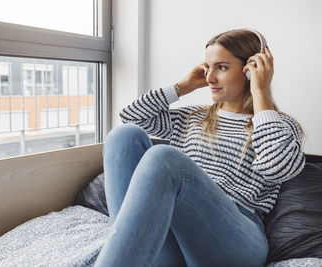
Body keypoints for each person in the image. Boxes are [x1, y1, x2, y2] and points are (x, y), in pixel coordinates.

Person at [94, 29, 305, 267]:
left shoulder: (278, 125)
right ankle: (132, 248)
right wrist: (183, 86)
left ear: (251, 70)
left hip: (235, 240)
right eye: (208, 67)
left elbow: (277, 167)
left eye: (222, 67)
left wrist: (261, 92)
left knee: (163, 157)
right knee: (124, 135)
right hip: (173, 237)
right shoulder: (192, 117)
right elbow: (131, 117)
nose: (210, 78)